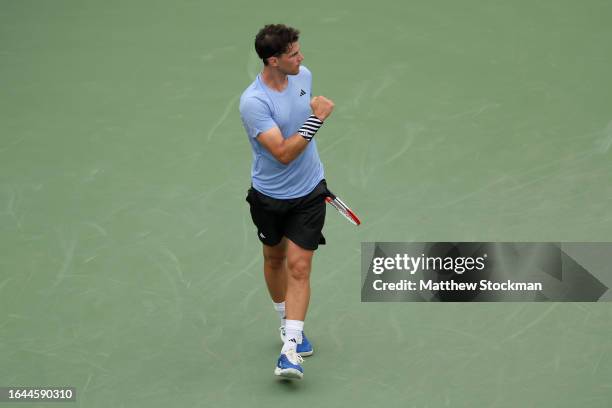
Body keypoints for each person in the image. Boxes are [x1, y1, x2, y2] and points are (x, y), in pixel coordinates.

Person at [239, 24, 335, 380]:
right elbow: (282, 153)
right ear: (273, 60)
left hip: (309, 192)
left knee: (299, 267)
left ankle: (290, 350)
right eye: (294, 54)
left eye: (299, 51)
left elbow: (300, 137)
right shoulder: (254, 102)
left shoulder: (303, 76)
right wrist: (317, 118)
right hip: (269, 196)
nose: (302, 58)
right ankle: (286, 320)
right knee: (274, 258)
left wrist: (309, 115)